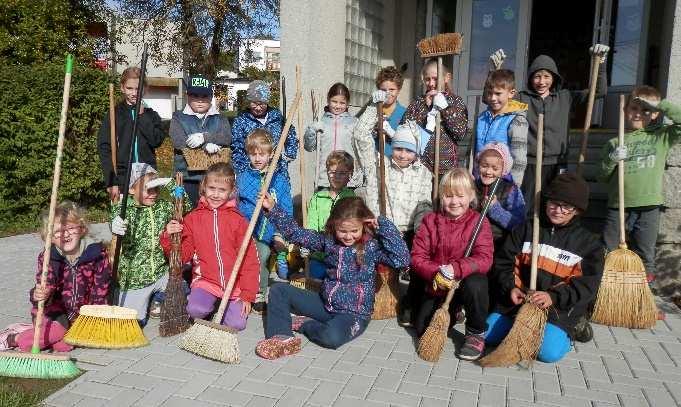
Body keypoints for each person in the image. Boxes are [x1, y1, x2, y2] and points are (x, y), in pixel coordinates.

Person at [254, 196, 409, 359]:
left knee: (331, 338)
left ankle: (304, 323)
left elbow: (402, 259)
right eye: (342, 231)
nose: (348, 237)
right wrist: (273, 209)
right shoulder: (328, 242)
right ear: (333, 225)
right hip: (324, 304)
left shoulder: (371, 248)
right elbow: (296, 233)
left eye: (354, 231)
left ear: (363, 225)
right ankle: (282, 337)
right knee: (279, 290)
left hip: (353, 315)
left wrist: (385, 227)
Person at [487, 173, 604, 362]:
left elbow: (587, 286)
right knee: (487, 335)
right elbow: (503, 261)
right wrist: (511, 288)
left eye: (566, 206)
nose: (558, 210)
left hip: (558, 309)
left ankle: (573, 330)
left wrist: (553, 297)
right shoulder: (527, 229)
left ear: (577, 210)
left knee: (547, 353)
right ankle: (523, 328)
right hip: (519, 302)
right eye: (554, 203)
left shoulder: (589, 245)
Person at [489, 44, 610, 211]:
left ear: (554, 78)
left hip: (557, 163)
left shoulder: (565, 97)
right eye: (537, 76)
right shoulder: (521, 98)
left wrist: (601, 64)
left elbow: (599, 92)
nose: (541, 81)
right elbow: (494, 97)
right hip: (529, 163)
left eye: (546, 76)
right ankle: (526, 236)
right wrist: (495, 71)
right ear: (531, 78)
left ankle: (547, 236)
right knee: (526, 206)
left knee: (553, 205)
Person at [161, 163, 260, 330]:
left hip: (233, 285)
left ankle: (225, 305)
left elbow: (250, 260)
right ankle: (210, 304)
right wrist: (168, 237)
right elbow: (182, 256)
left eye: (222, 190)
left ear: (231, 192)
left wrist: (247, 295)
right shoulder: (193, 219)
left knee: (237, 324)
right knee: (196, 310)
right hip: (206, 282)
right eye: (211, 188)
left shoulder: (238, 221)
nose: (215, 194)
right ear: (203, 187)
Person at [600, 86, 681, 284]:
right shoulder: (615, 141)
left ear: (655, 114)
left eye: (645, 110)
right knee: (608, 250)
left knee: (646, 254)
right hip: (618, 205)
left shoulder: (661, 136)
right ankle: (606, 292)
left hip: (648, 206)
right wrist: (612, 159)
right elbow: (602, 176)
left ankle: (643, 297)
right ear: (626, 111)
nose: (638, 114)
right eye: (634, 108)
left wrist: (659, 104)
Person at [410, 169, 494, 361]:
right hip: (439, 284)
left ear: (471, 196)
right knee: (422, 328)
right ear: (441, 197)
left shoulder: (479, 222)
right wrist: (436, 273)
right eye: (448, 196)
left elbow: (484, 258)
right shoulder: (431, 221)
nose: (454, 201)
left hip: (465, 282)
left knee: (477, 283)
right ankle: (455, 311)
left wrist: (456, 268)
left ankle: (475, 332)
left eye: (460, 195)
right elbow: (417, 257)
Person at [8, 202, 111, 352]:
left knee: (65, 345)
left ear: (81, 229)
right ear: (49, 237)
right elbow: (46, 283)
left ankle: (42, 333)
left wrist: (96, 319)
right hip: (52, 311)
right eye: (58, 231)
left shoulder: (97, 256)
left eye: (70, 228)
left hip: (79, 315)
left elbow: (100, 292)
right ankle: (14, 338)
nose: (65, 234)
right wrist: (41, 294)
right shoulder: (49, 257)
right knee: (57, 331)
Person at [110, 163, 187, 325]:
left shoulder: (162, 206)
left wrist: (171, 184)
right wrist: (115, 224)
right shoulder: (125, 209)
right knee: (135, 322)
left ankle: (157, 298)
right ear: (131, 190)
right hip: (135, 279)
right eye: (148, 189)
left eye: (156, 189)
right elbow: (116, 217)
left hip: (160, 273)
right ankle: (139, 298)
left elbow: (185, 206)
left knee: (184, 290)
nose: (153, 194)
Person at [235, 129, 293, 314]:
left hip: (271, 230)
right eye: (253, 154)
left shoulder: (279, 180)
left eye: (262, 154)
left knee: (260, 256)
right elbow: (236, 204)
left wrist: (281, 232)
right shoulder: (243, 178)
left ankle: (259, 293)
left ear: (271, 154)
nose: (258, 158)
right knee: (254, 258)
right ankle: (245, 289)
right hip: (248, 230)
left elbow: (287, 208)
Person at [97, 67, 166, 202]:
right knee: (122, 220)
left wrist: (142, 116)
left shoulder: (151, 115)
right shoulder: (114, 114)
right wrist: (111, 181)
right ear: (122, 88)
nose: (134, 93)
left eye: (138, 89)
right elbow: (104, 148)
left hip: (147, 176)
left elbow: (156, 140)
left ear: (145, 89)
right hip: (123, 177)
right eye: (129, 88)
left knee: (145, 219)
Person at [353, 120, 432, 236]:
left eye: (409, 150)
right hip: (379, 232)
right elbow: (360, 134)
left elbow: (424, 207)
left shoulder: (423, 173)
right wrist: (375, 106)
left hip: (408, 235)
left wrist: (421, 234)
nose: (402, 155)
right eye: (398, 148)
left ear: (416, 152)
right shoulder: (379, 164)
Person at [169, 75, 232, 206]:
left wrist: (205, 137)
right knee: (186, 213)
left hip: (214, 179)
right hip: (186, 177)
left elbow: (226, 137)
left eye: (204, 96)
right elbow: (178, 141)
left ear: (210, 97)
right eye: (195, 96)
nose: (200, 100)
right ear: (188, 96)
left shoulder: (220, 118)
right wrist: (205, 147)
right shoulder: (178, 117)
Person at [403, 58, 468, 175]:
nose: (431, 84)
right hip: (421, 166)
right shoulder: (417, 102)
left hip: (446, 168)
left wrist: (445, 108)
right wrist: (426, 108)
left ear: (446, 78)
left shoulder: (455, 101)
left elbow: (460, 132)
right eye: (428, 79)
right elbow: (405, 132)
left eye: (435, 79)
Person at [304, 150, 356, 279]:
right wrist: (307, 242)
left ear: (350, 175)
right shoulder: (318, 198)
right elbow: (311, 226)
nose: (336, 176)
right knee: (315, 274)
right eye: (332, 172)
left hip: (341, 255)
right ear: (327, 173)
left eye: (342, 173)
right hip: (319, 255)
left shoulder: (351, 198)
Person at [231, 80, 298, 179]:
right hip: (252, 173)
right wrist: (243, 171)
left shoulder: (276, 116)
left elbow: (290, 132)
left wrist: (289, 155)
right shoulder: (241, 120)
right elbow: (237, 147)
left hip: (277, 171)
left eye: (262, 104)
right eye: (254, 103)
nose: (258, 108)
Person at [475, 69, 528, 186]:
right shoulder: (481, 118)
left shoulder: (516, 120)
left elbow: (519, 159)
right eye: (489, 93)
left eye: (498, 94)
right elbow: (474, 151)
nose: (493, 98)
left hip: (502, 181)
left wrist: (512, 187)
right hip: (480, 178)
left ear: (511, 93)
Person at [304, 83, 362, 188]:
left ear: (348, 104)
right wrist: (311, 130)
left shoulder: (354, 123)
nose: (338, 106)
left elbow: (362, 148)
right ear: (328, 100)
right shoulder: (321, 122)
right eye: (334, 101)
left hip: (348, 178)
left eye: (342, 103)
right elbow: (309, 147)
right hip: (325, 177)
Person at [474, 142, 526, 248]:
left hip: (500, 245)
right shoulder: (471, 187)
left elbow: (519, 225)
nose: (488, 171)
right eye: (484, 166)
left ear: (503, 170)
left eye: (495, 168)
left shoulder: (511, 189)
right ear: (478, 165)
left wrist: (495, 209)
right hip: (474, 244)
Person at [357, 66, 408, 157]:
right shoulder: (371, 111)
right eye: (384, 90)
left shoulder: (405, 113)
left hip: (394, 163)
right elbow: (360, 133)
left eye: (392, 89)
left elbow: (407, 143)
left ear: (399, 90)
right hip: (372, 161)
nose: (388, 93)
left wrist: (391, 133)